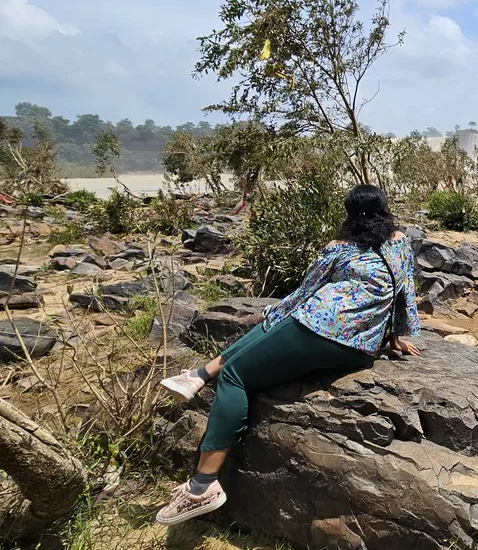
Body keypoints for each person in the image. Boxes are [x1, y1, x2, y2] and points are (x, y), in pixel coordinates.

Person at [154, 184, 421, 526]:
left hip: (317, 330)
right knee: (269, 332)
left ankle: (202, 486)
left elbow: (304, 292)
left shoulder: (338, 249)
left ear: (349, 215)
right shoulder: (399, 243)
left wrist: (272, 315)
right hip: (359, 350)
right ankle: (199, 374)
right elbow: (405, 293)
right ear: (385, 210)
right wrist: (395, 337)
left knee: (236, 375)